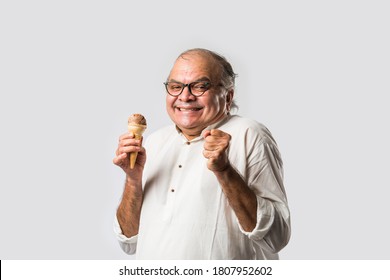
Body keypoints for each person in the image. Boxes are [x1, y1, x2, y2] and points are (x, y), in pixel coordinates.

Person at [113, 48, 291, 259]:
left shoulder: (249, 134)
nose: (185, 97)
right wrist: (133, 180)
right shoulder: (154, 142)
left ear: (228, 95)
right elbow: (129, 240)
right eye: (175, 87)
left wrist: (225, 171)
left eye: (200, 86)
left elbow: (277, 237)